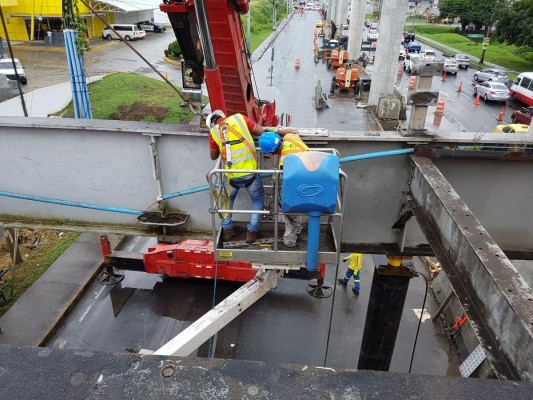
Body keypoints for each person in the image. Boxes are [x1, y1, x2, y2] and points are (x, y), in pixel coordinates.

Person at [207, 110, 297, 244]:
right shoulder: (239, 118)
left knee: (227, 202)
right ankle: (252, 232)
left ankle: (227, 230)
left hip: (231, 177)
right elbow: (261, 131)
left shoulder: (213, 132)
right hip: (250, 174)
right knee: (257, 200)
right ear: (222, 116)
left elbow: (213, 156)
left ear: (212, 124)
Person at [258, 131, 308, 248]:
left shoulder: (285, 161)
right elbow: (293, 131)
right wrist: (275, 131)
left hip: (299, 183)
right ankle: (298, 229)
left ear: (272, 151)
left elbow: (289, 181)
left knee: (289, 209)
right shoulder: (290, 138)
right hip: (312, 176)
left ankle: (290, 240)